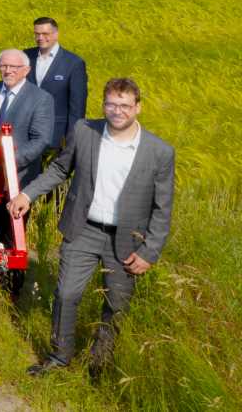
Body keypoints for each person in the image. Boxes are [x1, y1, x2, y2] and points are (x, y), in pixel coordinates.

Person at [10, 79, 174, 377]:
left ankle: (99, 365)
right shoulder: (85, 131)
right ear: (103, 104)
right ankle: (60, 357)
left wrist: (150, 251)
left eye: (125, 105)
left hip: (127, 240)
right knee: (66, 294)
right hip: (83, 229)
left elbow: (162, 209)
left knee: (115, 306)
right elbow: (60, 168)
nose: (117, 111)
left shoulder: (159, 152)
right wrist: (27, 193)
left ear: (138, 107)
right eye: (111, 104)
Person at [0, 49, 54, 299]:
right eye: (3, 66)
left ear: (26, 70)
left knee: (15, 229)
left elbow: (41, 140)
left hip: (20, 178)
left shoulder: (40, 98)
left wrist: (8, 160)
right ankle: (1, 268)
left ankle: (12, 286)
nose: (7, 71)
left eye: (13, 67)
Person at [25, 17, 88, 151]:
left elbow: (77, 106)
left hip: (56, 135)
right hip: (25, 132)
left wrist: (72, 140)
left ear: (56, 34)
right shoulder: (25, 56)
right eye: (37, 34)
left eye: (45, 34)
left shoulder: (73, 63)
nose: (40, 38)